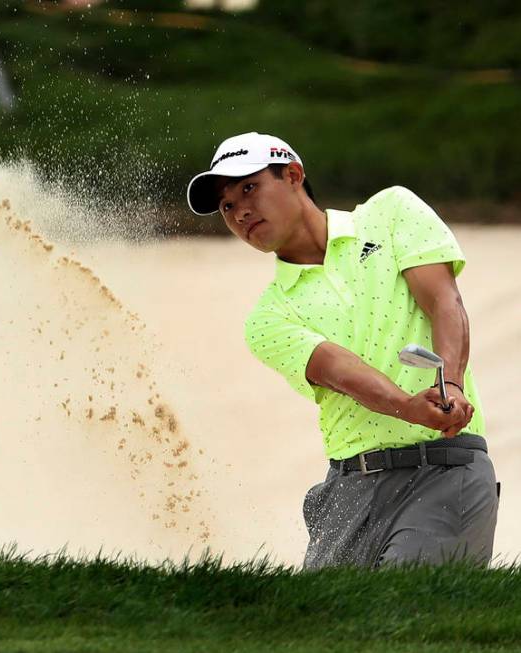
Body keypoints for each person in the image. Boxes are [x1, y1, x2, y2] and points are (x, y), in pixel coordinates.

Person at [186, 132, 499, 568]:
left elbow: (444, 301)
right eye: (226, 206)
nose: (240, 211)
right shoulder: (267, 317)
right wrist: (406, 405)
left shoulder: (392, 212)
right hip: (348, 487)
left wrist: (450, 384)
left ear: (293, 175)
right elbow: (340, 371)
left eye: (248, 188)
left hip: (443, 470)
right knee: (323, 630)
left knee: (406, 615)